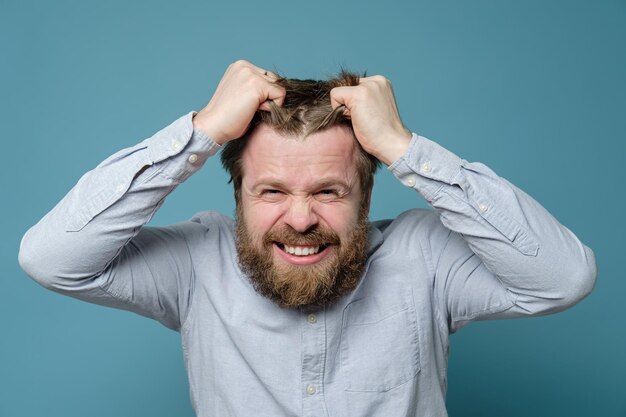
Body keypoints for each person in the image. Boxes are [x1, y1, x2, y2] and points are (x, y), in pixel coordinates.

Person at [18, 60, 597, 417]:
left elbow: (563, 279)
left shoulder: (427, 257)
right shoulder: (196, 263)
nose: (300, 220)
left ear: (366, 197)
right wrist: (202, 132)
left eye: (328, 191)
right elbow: (51, 259)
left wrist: (405, 150)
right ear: (237, 194)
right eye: (271, 191)